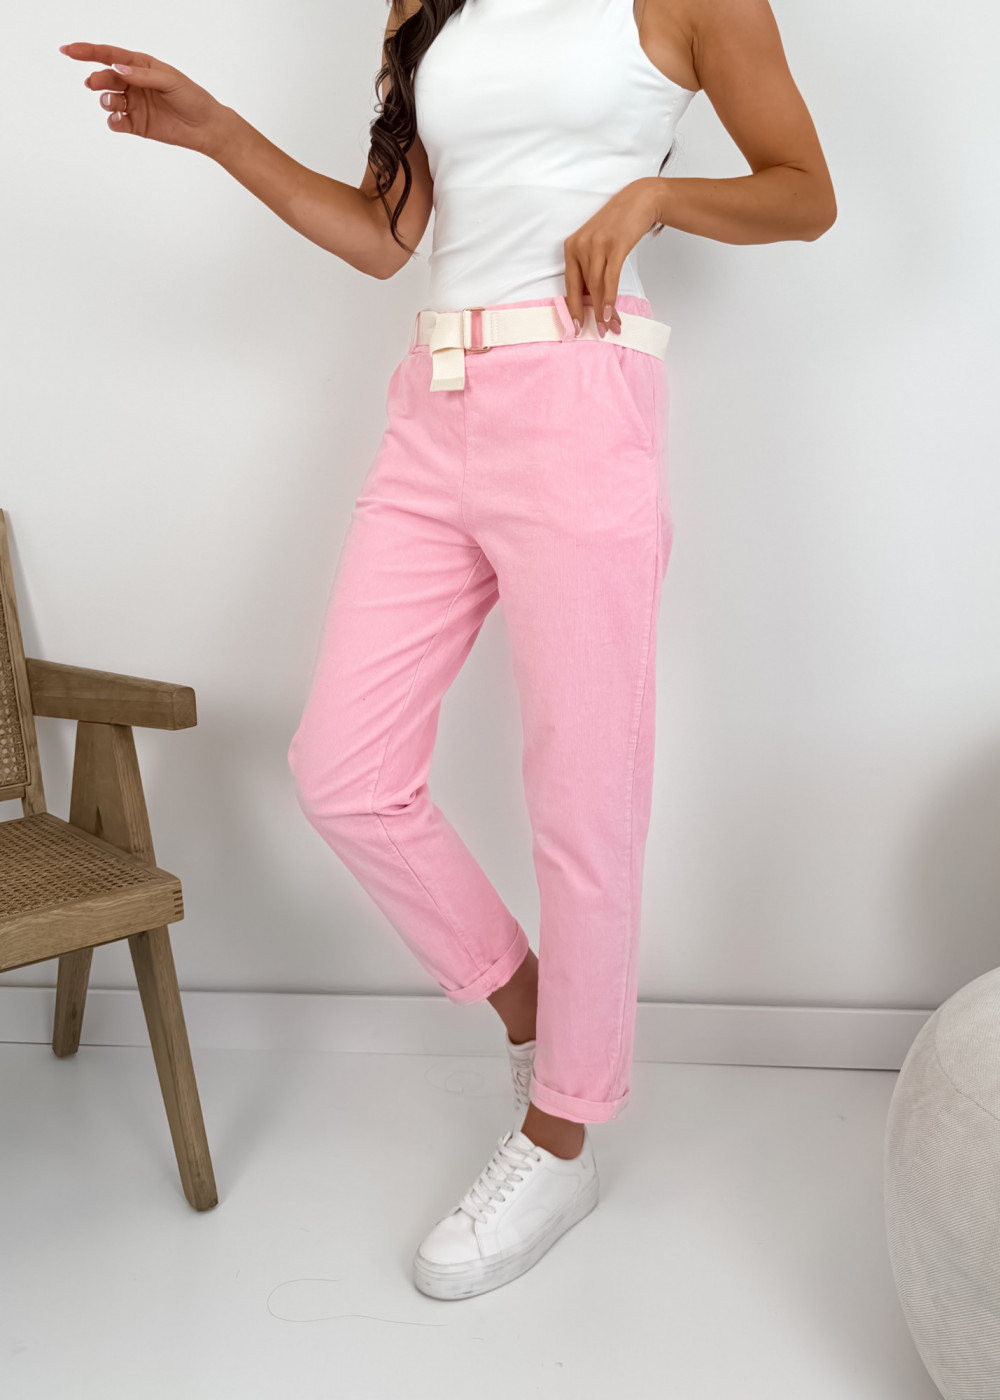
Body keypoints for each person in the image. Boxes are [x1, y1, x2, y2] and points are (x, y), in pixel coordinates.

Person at [60, 0, 835, 1301]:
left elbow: (805, 192)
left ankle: (562, 1136)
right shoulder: (432, 2)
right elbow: (385, 236)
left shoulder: (691, 4)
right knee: (342, 769)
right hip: (436, 408)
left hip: (580, 394)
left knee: (584, 797)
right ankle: (536, 1016)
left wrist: (654, 197)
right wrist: (216, 131)